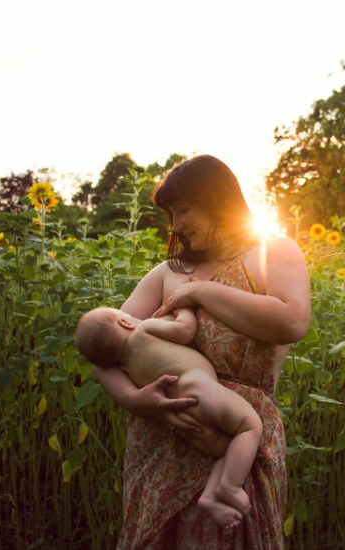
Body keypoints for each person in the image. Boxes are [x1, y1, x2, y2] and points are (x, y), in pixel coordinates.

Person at [90, 154, 311, 549]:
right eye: (171, 215)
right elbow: (102, 347)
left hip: (237, 440)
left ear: (214, 199)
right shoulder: (167, 273)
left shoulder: (273, 253)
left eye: (183, 210)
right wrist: (135, 400)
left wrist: (201, 291)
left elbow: (292, 322)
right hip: (161, 444)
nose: (175, 226)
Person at [75, 305, 263, 528]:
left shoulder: (127, 369)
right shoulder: (143, 330)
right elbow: (184, 330)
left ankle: (210, 496)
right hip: (199, 388)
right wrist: (184, 308)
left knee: (230, 447)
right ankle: (230, 486)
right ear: (126, 323)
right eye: (127, 315)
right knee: (249, 427)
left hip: (183, 414)